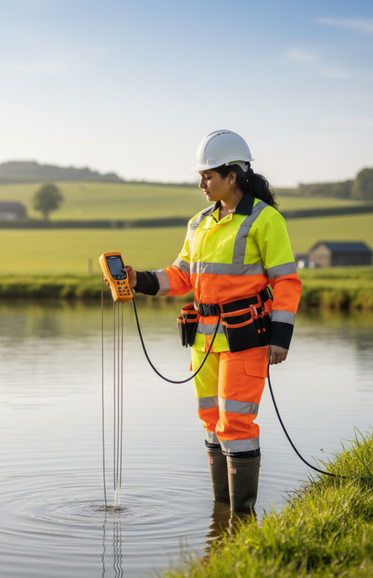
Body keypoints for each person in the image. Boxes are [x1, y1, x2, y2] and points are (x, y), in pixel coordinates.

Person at [121, 130, 302, 512]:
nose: (202, 183)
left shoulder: (265, 220)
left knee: (236, 424)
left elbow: (286, 282)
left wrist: (280, 339)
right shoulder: (199, 223)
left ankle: (242, 518)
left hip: (245, 339)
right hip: (204, 341)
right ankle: (223, 517)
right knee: (210, 420)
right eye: (200, 176)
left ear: (232, 176)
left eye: (208, 175)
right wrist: (140, 281)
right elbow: (182, 275)